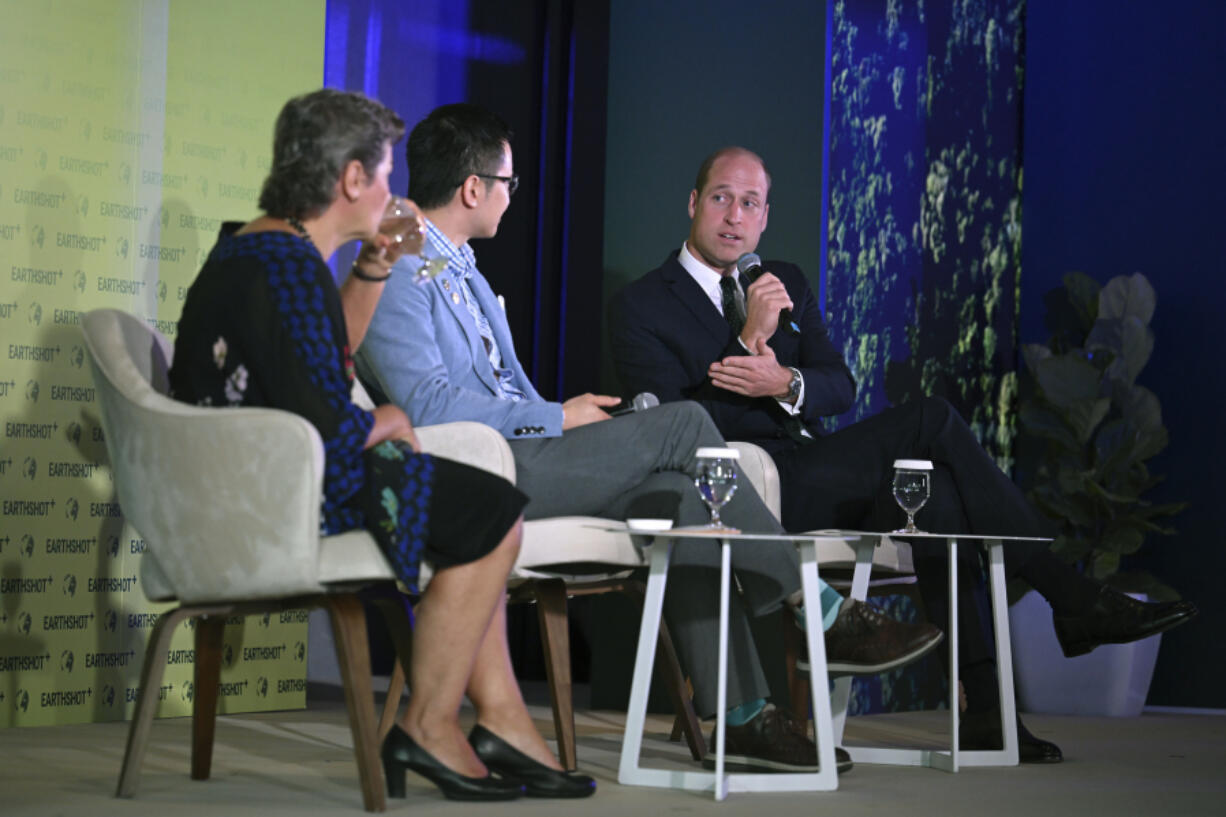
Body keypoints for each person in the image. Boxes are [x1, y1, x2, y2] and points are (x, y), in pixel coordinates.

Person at [354, 103, 943, 775]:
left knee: (685, 503)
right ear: (472, 188)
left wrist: (562, 413)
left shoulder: (467, 270)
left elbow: (505, 393)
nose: (512, 198)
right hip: (482, 476)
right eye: (509, 183)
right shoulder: (399, 268)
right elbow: (427, 404)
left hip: (526, 452)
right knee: (685, 422)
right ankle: (815, 605)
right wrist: (558, 417)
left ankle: (742, 717)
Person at [607, 145, 1199, 762]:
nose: (734, 215)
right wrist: (750, 338)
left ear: (764, 218)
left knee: (940, 497)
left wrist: (786, 382)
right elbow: (675, 427)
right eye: (722, 198)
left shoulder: (783, 281)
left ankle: (987, 712)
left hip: (814, 468)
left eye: (749, 203)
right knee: (932, 418)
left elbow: (838, 385)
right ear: (694, 203)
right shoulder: (643, 304)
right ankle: (1069, 596)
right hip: (743, 489)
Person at [168, 89, 594, 801]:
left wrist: (372, 264)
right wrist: (392, 420)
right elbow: (328, 426)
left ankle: (495, 721)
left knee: (482, 509)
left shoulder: (271, 249)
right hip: (277, 496)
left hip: (264, 479)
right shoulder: (287, 265)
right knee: (492, 516)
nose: (397, 191)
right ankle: (430, 723)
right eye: (387, 174)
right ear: (352, 181)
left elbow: (329, 357)